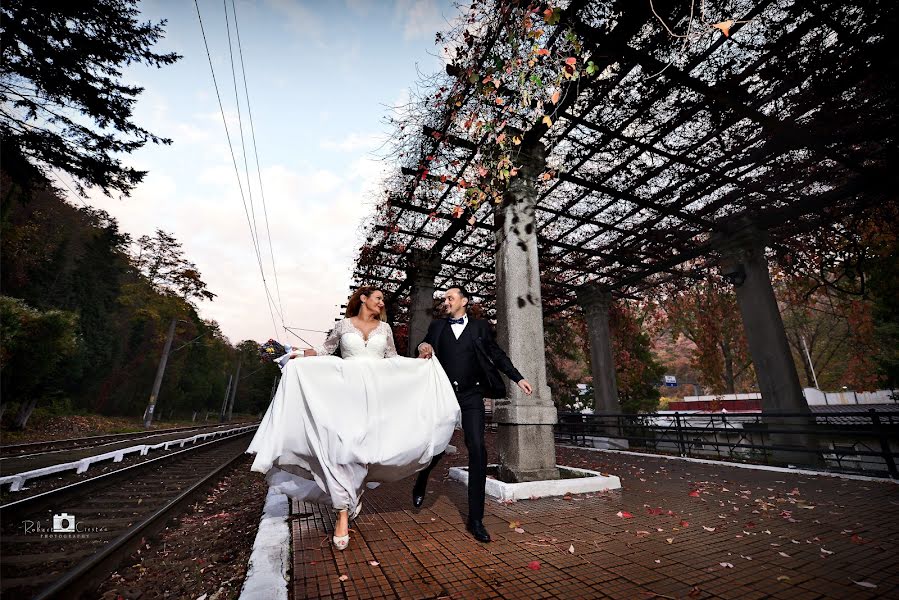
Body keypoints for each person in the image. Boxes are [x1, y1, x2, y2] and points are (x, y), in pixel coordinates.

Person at [248, 287, 460, 550]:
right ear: (363, 298)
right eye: (378, 298)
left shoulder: (385, 329)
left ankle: (353, 494)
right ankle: (342, 514)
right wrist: (294, 356)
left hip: (375, 398)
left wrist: (419, 361)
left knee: (366, 454)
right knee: (343, 452)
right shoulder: (343, 325)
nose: (382, 302)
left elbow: (392, 359)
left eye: (383, 299)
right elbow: (324, 351)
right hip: (346, 396)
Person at [413, 286, 533, 543]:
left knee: (478, 448)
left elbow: (497, 354)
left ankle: (476, 519)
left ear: (464, 301)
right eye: (444, 298)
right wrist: (423, 347)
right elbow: (421, 346)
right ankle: (422, 477)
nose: (445, 301)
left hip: (471, 396)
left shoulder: (479, 327)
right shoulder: (437, 327)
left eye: (450, 297)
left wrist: (517, 378)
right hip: (443, 396)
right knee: (437, 447)